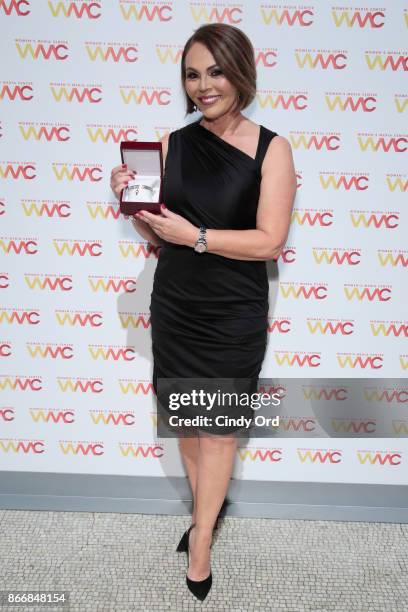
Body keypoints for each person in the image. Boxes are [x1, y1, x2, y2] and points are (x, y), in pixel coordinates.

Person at [110, 23, 297, 601]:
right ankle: (204, 515)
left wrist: (196, 236)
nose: (203, 85)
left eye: (215, 71)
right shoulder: (172, 144)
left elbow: (269, 242)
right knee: (189, 423)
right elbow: (160, 231)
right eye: (192, 74)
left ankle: (201, 544)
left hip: (232, 312)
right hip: (177, 305)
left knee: (217, 433)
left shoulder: (273, 148)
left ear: (241, 72)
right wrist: (134, 202)